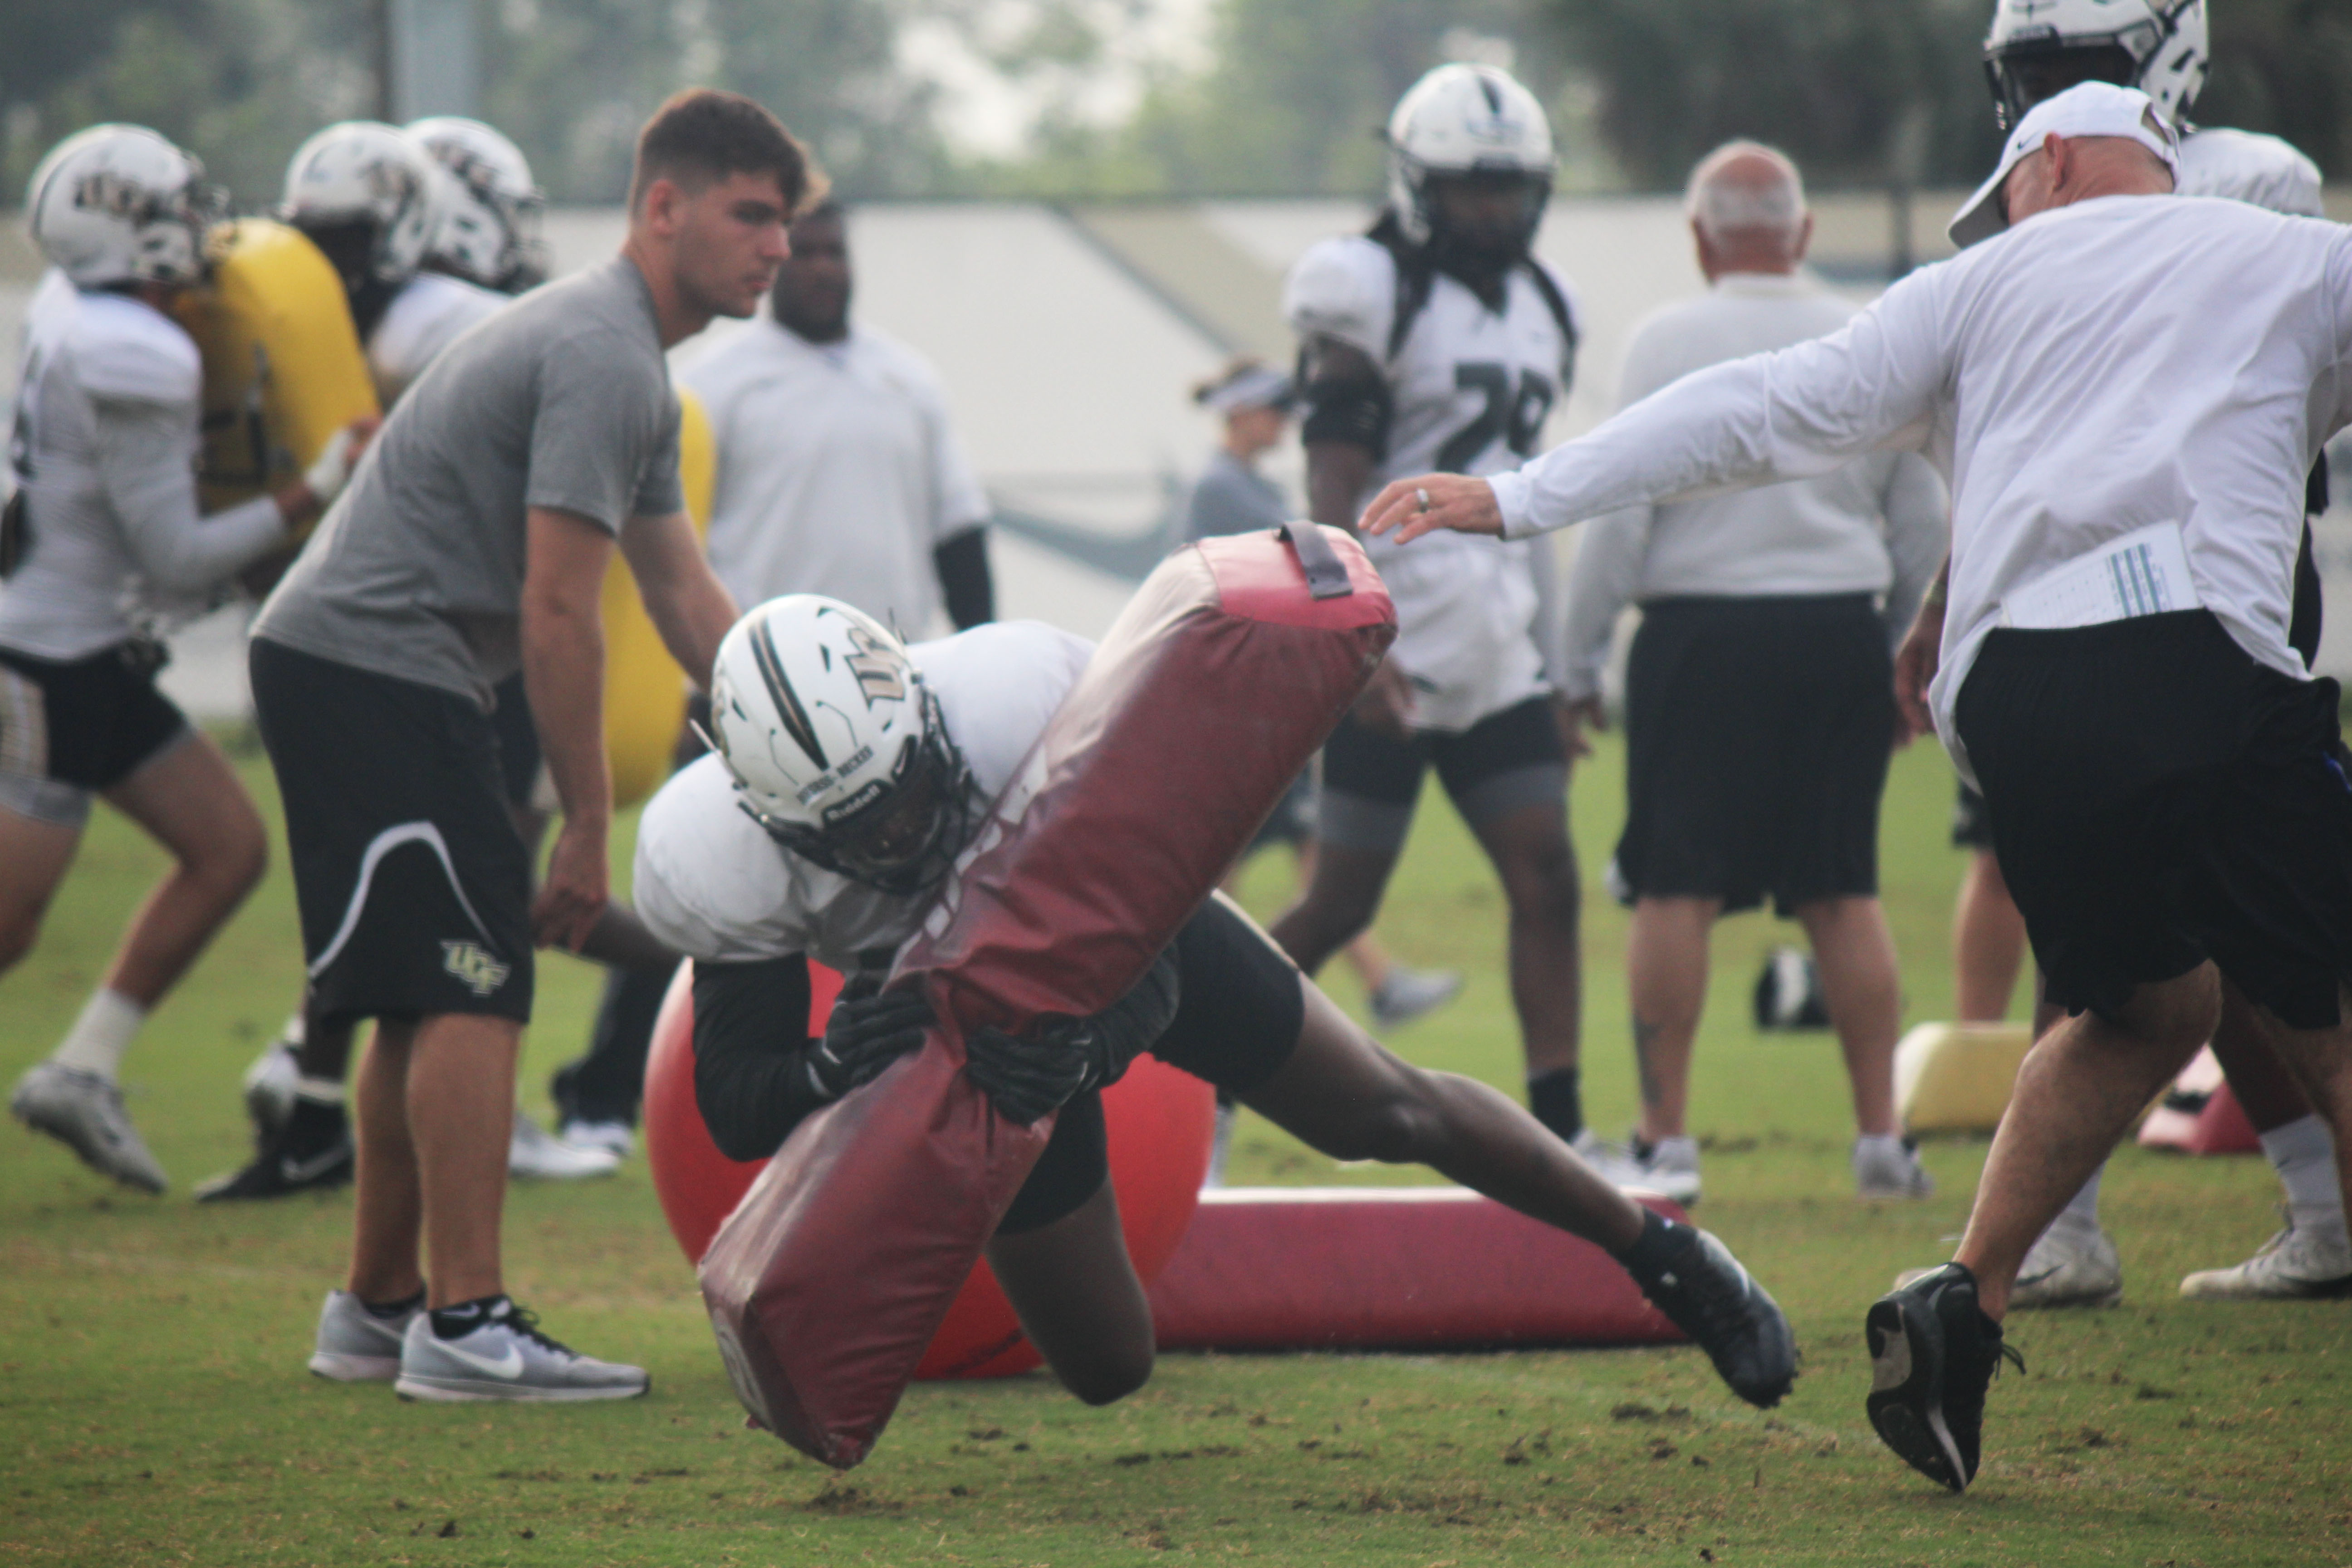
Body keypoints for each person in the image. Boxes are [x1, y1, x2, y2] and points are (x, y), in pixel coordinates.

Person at [1364, 82, 2352, 1493]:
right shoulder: (2293, 258)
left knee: (2145, 1007)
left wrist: (1521, 495)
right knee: (2329, 1015)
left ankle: (1964, 1299)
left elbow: (1757, 411)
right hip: (2198, 653)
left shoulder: (1972, 287)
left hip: (2017, 699)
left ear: (2049, 162)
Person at [633, 593, 1799, 1413]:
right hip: (965, 1045)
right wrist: (831, 1068)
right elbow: (733, 1102)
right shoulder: (715, 859)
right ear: (770, 820)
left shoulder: (1028, 696)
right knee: (1108, 1366)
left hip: (1098, 939)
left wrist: (1094, 1044)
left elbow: (1159, 922)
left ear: (927, 716)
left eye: (903, 792)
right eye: (857, 828)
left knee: (1384, 1108)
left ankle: (1668, 1255)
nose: (897, 835)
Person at [251, 88, 800, 1401]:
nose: (777, 247)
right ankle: (466, 1322)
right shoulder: (605, 352)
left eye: (785, 222)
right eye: (750, 215)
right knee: (476, 980)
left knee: (429, 989)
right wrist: (590, 825)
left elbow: (682, 595)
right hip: (376, 665)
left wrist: (796, 743)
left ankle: (379, 1307)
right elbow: (561, 613)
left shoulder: (629, 365)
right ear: (661, 207)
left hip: (372, 668)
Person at [1922, 0, 2349, 1308]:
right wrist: (1948, 591)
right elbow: (2031, 432)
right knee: (2154, 937)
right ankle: (2267, 1211)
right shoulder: (2043, 189)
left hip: (2219, 587)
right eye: (2031, 69)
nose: (2046, 92)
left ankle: (2093, 1227)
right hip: (2072, 591)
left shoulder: (2247, 181)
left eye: (2074, 66)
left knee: (2248, 944)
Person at [207, 120, 622, 1200]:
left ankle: (311, 1100)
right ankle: (460, 1124)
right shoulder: (462, 320)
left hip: (359, 635)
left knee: (390, 899)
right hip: (447, 642)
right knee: (476, 907)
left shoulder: (335, 324)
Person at [534, 195, 1000, 1155]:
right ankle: (605, 1097)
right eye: (807, 251)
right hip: (755, 712)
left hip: (891, 716)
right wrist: (686, 686)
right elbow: (670, 557)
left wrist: (980, 650)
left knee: (913, 907)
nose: (824, 267)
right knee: (708, 899)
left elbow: (958, 532)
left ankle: (906, 1102)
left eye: (837, 250)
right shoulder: (715, 385)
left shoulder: (907, 379)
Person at [1561, 144, 1945, 1206]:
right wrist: (1906, 649)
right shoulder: (1867, 331)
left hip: (1699, 640)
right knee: (1842, 888)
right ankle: (1882, 1141)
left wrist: (1576, 663)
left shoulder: (1665, 342)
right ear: (1803, 232)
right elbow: (1920, 522)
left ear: (1701, 238)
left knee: (1674, 886)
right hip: (1836, 634)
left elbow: (1617, 515)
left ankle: (1666, 1141)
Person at [3, 125, 372, 1193]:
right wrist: (314, 488)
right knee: (11, 926)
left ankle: (82, 1068)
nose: (195, 225)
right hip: (44, 662)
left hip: (93, 646)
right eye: (173, 209)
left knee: (227, 848)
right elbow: (176, 553)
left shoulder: (80, 308)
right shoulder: (136, 349)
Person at [1269, 63, 1590, 1149]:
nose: (1493, 211)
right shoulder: (1368, 287)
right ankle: (1201, 1089)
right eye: (1470, 188)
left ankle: (1562, 1131)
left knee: (1548, 877)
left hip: (1497, 646)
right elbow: (1331, 481)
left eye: (1510, 189)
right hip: (1393, 641)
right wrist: (1355, 638)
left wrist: (1558, 666)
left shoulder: (1546, 304)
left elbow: (1529, 495)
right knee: (1341, 905)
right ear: (1417, 185)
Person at [1182, 358, 1461, 1186]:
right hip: (1232, 714)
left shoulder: (1236, 483)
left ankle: (1376, 983)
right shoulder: (1224, 489)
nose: (1280, 421)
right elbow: (1294, 560)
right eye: (1269, 409)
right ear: (1239, 414)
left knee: (1301, 859)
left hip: (1251, 709)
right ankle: (1211, 1007)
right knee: (1222, 881)